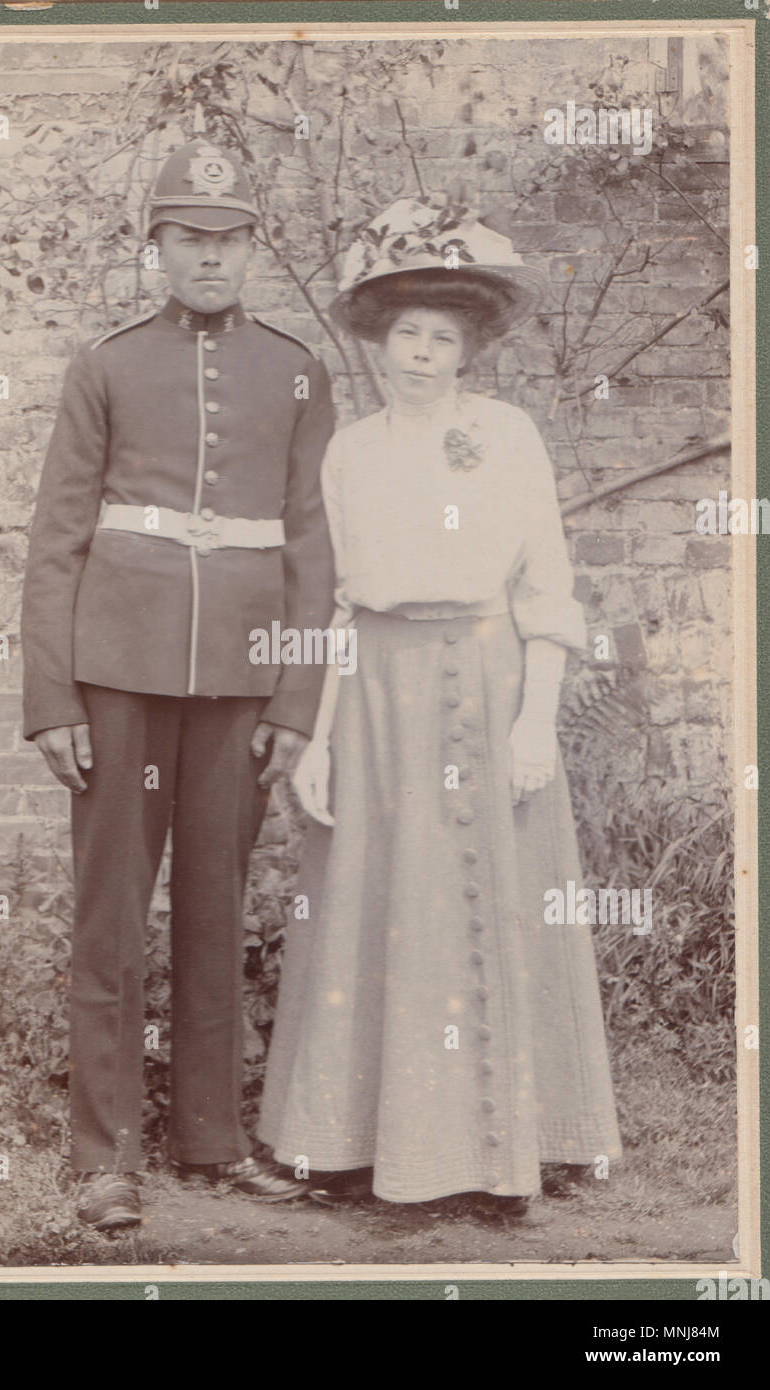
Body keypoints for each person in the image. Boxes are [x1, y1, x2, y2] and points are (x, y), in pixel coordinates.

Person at [257, 198, 622, 1211]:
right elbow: (332, 603)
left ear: (467, 351)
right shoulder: (349, 452)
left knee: (487, 902)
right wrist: (319, 741)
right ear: (377, 340)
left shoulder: (504, 436)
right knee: (376, 907)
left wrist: (534, 718)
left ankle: (509, 1151)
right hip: (375, 692)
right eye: (404, 334)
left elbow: (543, 586)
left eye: (441, 339)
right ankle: (357, 1147)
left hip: (486, 674)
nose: (418, 355)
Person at [21, 139, 335, 1229]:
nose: (211, 254)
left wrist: (296, 703)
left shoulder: (296, 368)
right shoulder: (105, 364)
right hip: (116, 674)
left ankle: (209, 1138)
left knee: (216, 905)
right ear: (155, 244)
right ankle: (103, 1154)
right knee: (112, 915)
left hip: (244, 677)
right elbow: (56, 538)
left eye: (230, 236)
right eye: (189, 235)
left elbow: (309, 545)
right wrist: (51, 698)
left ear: (252, 247)